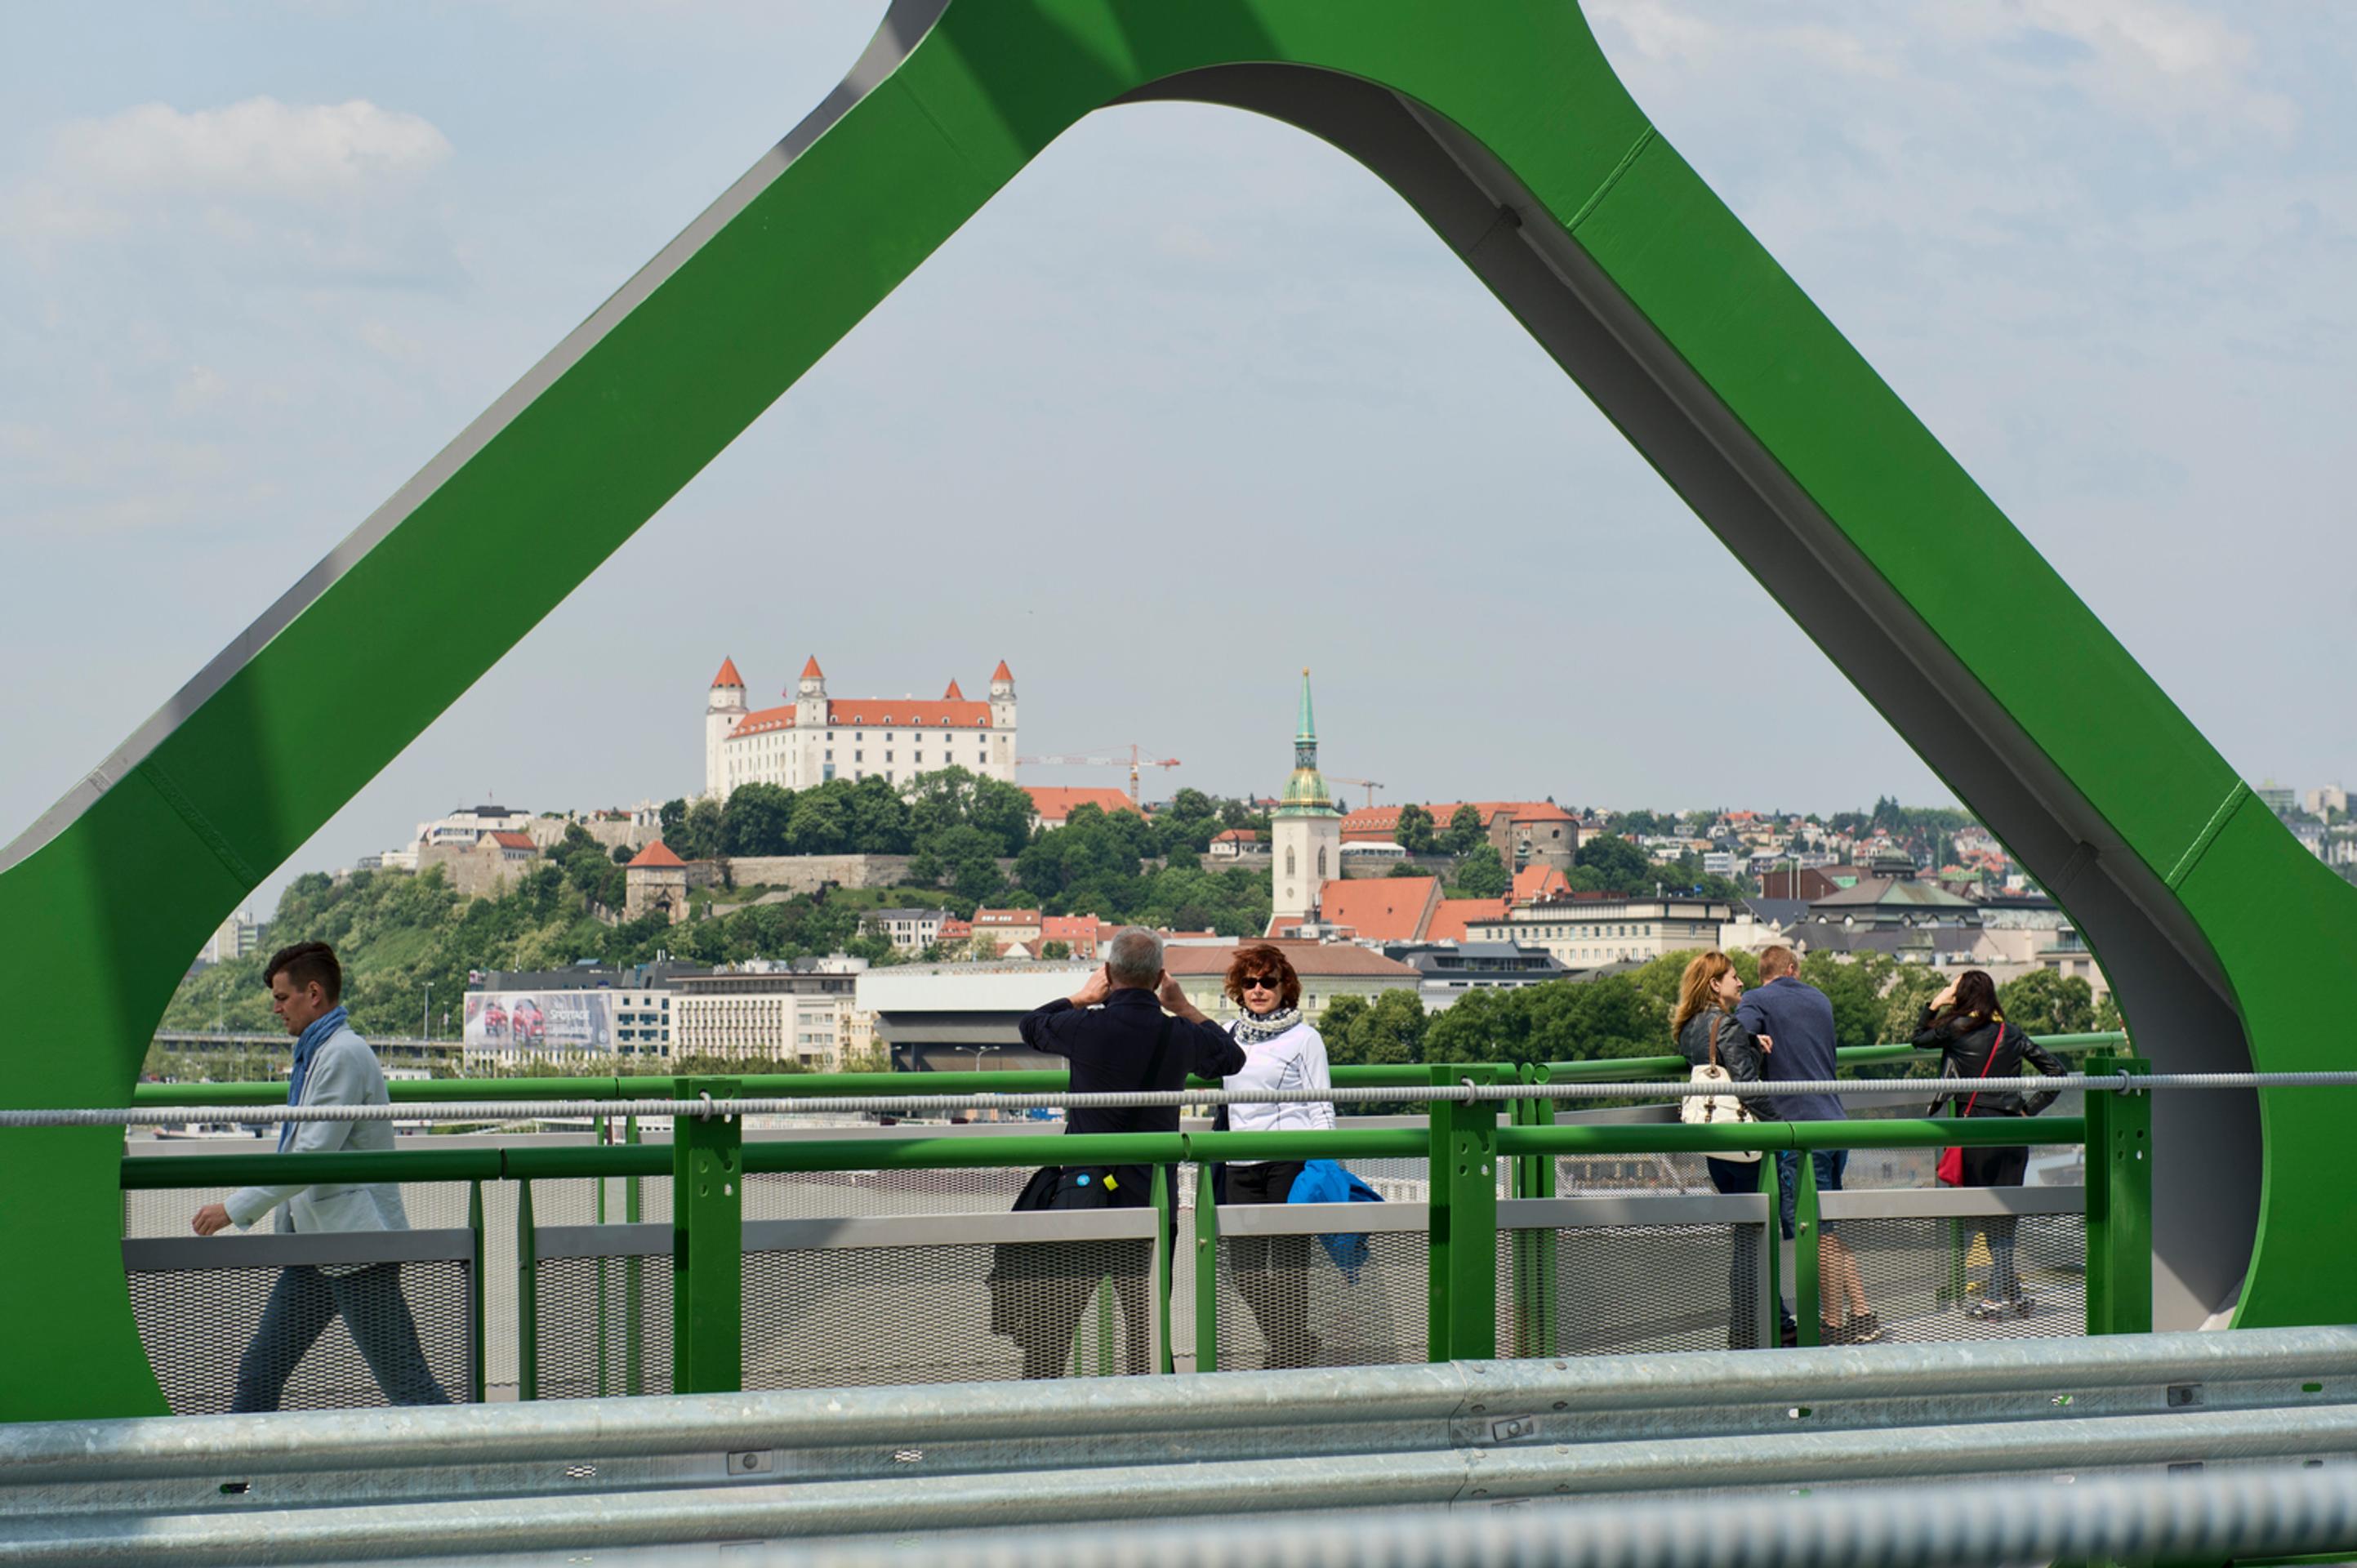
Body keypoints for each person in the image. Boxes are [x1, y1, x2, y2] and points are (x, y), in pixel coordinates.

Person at [192, 941, 448, 1410]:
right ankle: (236, 1484)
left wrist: (231, 1209)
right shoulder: (321, 1052)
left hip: (353, 1247)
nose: (275, 1008)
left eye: (282, 997)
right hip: (319, 1243)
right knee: (260, 1371)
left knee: (408, 1387)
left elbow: (309, 1154)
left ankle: (484, 1472)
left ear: (313, 993)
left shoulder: (340, 1055)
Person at [1013, 927, 1245, 1377]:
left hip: (1084, 1192)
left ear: (1108, 973)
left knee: (1057, 1321)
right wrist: (1183, 1007)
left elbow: (1030, 1027)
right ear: (1160, 977)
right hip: (1151, 1195)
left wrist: (1081, 996)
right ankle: (1151, 1415)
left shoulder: (1084, 1026)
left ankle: (1037, 1411)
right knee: (1147, 1322)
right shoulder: (1178, 1032)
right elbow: (1230, 1058)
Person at [1735, 946, 1879, 1344]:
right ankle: (1862, 1315)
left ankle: (1831, 1326)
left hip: (1799, 1131)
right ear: (1793, 970)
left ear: (1764, 973)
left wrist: (1753, 1040)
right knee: (1826, 1227)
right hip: (1835, 1124)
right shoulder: (1820, 998)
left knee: (1812, 1232)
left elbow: (1738, 1032)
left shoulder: (1756, 999)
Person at [1914, 969, 2068, 1318]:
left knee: (1987, 1217)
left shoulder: (1957, 1030)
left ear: (1963, 997)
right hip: (2014, 1132)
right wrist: (2030, 1109)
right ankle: (2010, 1293)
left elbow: (1918, 1038)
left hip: (1977, 1132)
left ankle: (1995, 1297)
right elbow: (2056, 1073)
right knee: (2004, 1217)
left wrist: (1937, 1002)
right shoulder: (2011, 1033)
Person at [1216, 943, 1334, 1369]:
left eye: (1268, 982)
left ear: (1286, 987)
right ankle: (1296, 1341)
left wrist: (1327, 1161)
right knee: (1243, 1268)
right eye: (1250, 983)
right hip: (1239, 1162)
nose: (1259, 990)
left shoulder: (1305, 1038)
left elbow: (1322, 1104)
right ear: (1239, 989)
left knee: (1289, 1268)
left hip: (1289, 1161)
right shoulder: (1229, 1034)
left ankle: (1286, 1355)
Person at [1673, 951, 1782, 1349]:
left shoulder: (1688, 1027)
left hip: (1715, 1146)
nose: (1741, 983)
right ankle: (1762, 1323)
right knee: (1757, 1235)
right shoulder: (1729, 1026)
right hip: (1746, 1146)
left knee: (1744, 1234)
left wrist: (1750, 1039)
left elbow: (1713, 1054)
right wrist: (1786, 1127)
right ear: (1716, 984)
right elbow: (1747, 1087)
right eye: (1734, 977)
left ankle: (1750, 1324)